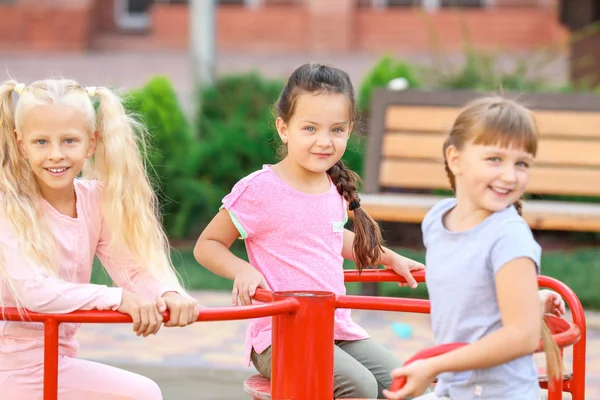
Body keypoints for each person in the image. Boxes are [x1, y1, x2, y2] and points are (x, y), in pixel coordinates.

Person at [193, 63, 425, 398]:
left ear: (349, 130)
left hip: (334, 327)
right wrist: (241, 270)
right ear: (284, 129)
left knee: (400, 383)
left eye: (336, 130)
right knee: (358, 386)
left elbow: (331, 238)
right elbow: (207, 245)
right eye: (310, 129)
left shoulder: (332, 185)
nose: (324, 142)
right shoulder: (259, 189)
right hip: (280, 335)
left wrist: (389, 258)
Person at [0, 79, 199, 399]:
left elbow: (131, 269)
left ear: (91, 143)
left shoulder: (95, 201)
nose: (55, 154)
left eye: (69, 140)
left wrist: (167, 293)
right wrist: (117, 299)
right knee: (142, 394)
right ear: (20, 144)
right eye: (41, 142)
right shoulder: (9, 206)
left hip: (56, 359)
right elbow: (33, 291)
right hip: (13, 368)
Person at [383, 96, 565, 400]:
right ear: (456, 160)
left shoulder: (509, 237)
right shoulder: (437, 220)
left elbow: (521, 336)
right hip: (456, 389)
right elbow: (474, 297)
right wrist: (531, 301)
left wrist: (433, 366)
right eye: (494, 159)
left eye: (521, 163)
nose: (510, 175)